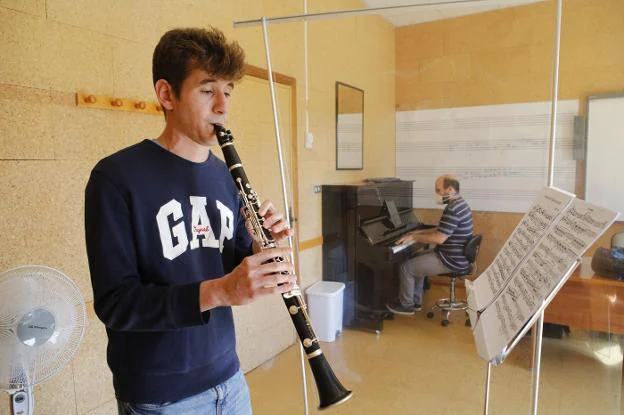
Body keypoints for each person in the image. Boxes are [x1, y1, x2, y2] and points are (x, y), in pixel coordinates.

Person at [84, 27, 297, 415]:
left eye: (228, 91)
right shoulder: (115, 177)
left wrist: (256, 249)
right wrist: (219, 292)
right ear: (167, 94)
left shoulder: (225, 176)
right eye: (207, 90)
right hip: (160, 394)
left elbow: (227, 263)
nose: (222, 106)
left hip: (228, 376)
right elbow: (116, 304)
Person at [386, 175, 473, 315]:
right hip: (455, 256)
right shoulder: (460, 204)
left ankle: (406, 305)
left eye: (438, 190)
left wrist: (414, 237)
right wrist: (419, 232)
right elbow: (441, 229)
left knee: (406, 268)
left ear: (449, 189)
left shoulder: (453, 209)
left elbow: (439, 238)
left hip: (450, 259)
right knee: (417, 258)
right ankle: (416, 301)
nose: (437, 194)